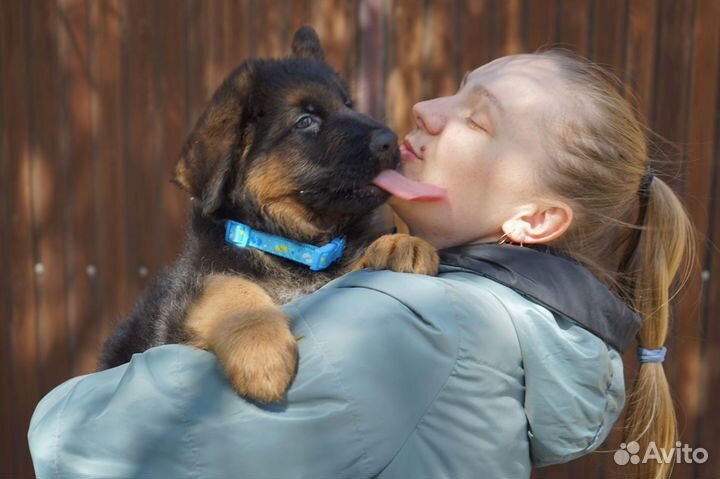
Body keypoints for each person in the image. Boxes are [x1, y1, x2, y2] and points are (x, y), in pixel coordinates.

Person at [28, 50, 693, 479]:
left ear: (536, 220)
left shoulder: (419, 326)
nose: (424, 111)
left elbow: (76, 440)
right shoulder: (493, 316)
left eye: (477, 119)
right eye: (456, 91)